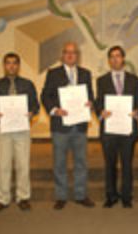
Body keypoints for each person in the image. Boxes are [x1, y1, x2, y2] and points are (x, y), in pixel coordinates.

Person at [41, 42, 95, 210]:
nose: (70, 55)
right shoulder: (53, 73)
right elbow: (45, 95)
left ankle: (80, 195)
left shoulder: (86, 73)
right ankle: (61, 196)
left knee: (81, 162)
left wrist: (90, 103)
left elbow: (91, 96)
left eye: (74, 52)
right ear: (62, 55)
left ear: (77, 56)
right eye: (67, 52)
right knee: (59, 163)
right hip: (60, 126)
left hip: (80, 126)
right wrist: (55, 110)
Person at [0, 53, 39, 212]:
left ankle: (23, 197)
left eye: (15, 63)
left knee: (23, 165)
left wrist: (31, 113)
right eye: (8, 63)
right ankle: (2, 198)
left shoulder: (27, 84)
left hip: (22, 128)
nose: (11, 66)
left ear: (19, 65)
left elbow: (35, 104)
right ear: (4, 65)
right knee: (4, 165)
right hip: (3, 128)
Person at [95, 46, 138, 208]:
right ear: (109, 61)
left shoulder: (133, 79)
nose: (115, 59)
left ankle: (127, 196)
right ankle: (111, 196)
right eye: (112, 57)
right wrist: (101, 111)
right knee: (110, 165)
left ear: (123, 59)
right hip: (109, 129)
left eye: (118, 56)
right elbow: (98, 102)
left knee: (127, 164)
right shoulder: (101, 80)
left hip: (128, 129)